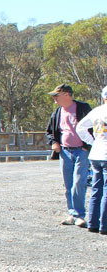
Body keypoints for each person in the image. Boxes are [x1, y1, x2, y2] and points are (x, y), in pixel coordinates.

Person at [45, 84, 92, 227]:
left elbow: (93, 127)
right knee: (68, 184)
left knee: (79, 182)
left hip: (81, 151)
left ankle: (79, 215)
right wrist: (54, 142)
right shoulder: (57, 112)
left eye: (56, 95)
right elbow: (50, 132)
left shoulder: (83, 108)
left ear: (66, 95)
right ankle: (72, 213)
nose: (54, 99)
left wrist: (87, 147)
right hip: (65, 152)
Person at [76, 85, 107, 235]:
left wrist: (92, 141)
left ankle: (93, 223)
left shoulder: (97, 111)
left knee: (96, 189)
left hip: (96, 154)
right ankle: (104, 225)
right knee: (106, 191)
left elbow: (80, 127)